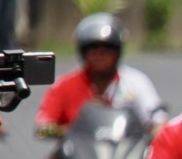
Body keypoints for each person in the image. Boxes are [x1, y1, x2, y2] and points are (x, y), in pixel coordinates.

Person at [34, 13, 167, 138]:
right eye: (93, 49)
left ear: (117, 52)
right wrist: (67, 131)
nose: (100, 55)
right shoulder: (64, 85)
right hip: (78, 156)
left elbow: (158, 121)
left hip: (127, 154)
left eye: (107, 49)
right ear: (83, 52)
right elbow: (43, 126)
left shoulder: (136, 82)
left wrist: (154, 135)